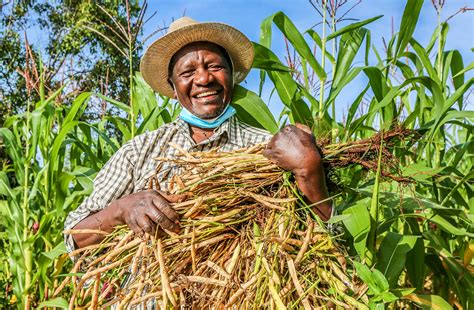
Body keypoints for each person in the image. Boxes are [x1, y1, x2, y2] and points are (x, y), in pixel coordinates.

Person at [64, 17, 332, 252]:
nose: (204, 79)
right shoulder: (139, 151)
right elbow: (74, 238)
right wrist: (121, 210)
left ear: (231, 76)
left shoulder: (268, 150)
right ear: (173, 85)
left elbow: (326, 241)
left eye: (215, 67)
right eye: (188, 72)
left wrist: (309, 169)